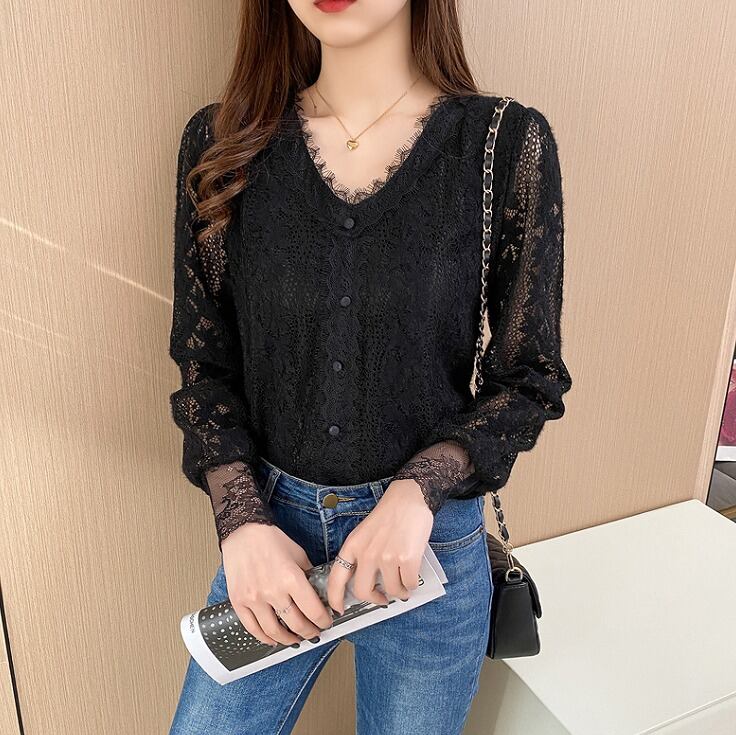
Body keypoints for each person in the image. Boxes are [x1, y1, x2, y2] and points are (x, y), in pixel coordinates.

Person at [167, 0, 572, 732]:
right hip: (270, 538)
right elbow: (204, 363)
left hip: (426, 548)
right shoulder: (223, 144)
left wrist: (417, 493)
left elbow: (529, 376)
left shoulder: (502, 144)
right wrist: (240, 523)